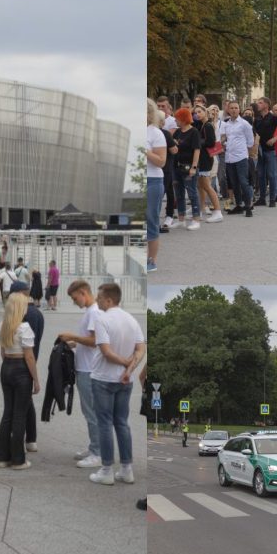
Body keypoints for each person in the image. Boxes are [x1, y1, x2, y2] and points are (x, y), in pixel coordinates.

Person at [88, 283, 146, 486]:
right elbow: (141, 348)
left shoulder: (102, 319)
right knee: (122, 423)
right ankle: (126, 469)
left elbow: (105, 351)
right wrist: (130, 369)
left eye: (100, 297)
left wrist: (124, 363)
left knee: (104, 423)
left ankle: (106, 470)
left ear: (109, 300)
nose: (97, 300)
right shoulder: (131, 320)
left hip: (103, 378)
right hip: (125, 380)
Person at [57, 280, 102, 469]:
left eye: (75, 298)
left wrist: (73, 337)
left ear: (83, 292)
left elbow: (95, 340)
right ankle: (94, 447)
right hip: (86, 368)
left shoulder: (94, 312)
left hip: (89, 370)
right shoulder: (91, 312)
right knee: (89, 411)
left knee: (92, 413)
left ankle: (97, 453)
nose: (75, 302)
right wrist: (72, 345)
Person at [0, 293, 40, 470]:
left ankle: (2, 456)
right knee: (20, 414)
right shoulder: (25, 328)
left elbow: (3, 353)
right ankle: (18, 459)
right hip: (21, 368)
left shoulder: (3, 326)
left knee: (8, 412)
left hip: (7, 367)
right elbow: (29, 357)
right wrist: (36, 379)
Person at [221, 100, 256, 217]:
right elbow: (225, 139)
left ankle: (248, 205)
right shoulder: (226, 124)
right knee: (234, 183)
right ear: (228, 110)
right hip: (229, 158)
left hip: (241, 157)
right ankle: (239, 205)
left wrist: (243, 150)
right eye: (231, 108)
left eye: (236, 108)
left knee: (243, 182)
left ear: (239, 110)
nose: (234, 110)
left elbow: (250, 141)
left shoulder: (244, 124)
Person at [146, 99, 167, 272]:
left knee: (151, 220)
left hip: (152, 180)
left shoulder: (155, 133)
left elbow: (161, 161)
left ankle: (151, 260)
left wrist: (145, 151)